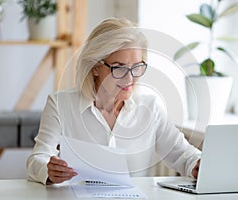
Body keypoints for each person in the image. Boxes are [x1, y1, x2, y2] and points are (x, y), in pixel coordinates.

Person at [26, 17, 201, 185]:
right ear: (95, 67)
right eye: (119, 67)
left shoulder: (150, 108)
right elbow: (37, 159)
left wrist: (198, 165)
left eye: (137, 66)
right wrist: (48, 171)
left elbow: (183, 155)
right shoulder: (60, 104)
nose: (130, 78)